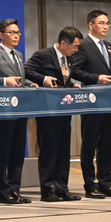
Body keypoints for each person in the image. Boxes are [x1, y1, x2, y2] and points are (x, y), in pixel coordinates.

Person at [71, 10, 111, 198]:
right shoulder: (83, 46)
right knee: (89, 144)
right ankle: (90, 185)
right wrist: (96, 78)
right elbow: (75, 71)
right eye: (101, 23)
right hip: (92, 102)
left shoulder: (109, 46)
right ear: (91, 25)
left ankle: (105, 182)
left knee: (107, 144)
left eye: (107, 23)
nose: (105, 27)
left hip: (110, 102)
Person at [24, 27, 87, 202]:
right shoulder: (43, 55)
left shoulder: (69, 59)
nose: (76, 50)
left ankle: (62, 188)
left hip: (64, 111)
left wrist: (72, 84)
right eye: (74, 46)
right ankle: (48, 189)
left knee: (63, 152)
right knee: (49, 152)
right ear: (63, 43)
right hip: (48, 112)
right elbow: (26, 70)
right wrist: (43, 79)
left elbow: (63, 78)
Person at [0, 19, 38, 205]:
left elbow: (20, 79)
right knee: (4, 154)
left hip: (20, 110)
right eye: (12, 33)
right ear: (1, 35)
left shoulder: (19, 55)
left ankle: (15, 190)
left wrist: (31, 83)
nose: (16, 36)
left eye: (18, 33)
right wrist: (5, 82)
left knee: (17, 153)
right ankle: (4, 191)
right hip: (3, 111)